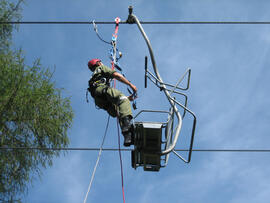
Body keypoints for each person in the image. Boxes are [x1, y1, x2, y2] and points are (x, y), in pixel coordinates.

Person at [87, 58, 137, 146]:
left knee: (119, 111)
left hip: (99, 100)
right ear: (98, 63)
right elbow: (116, 75)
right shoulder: (101, 68)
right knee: (123, 101)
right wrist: (130, 84)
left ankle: (128, 136)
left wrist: (127, 98)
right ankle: (127, 128)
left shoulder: (93, 75)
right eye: (100, 62)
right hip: (102, 89)